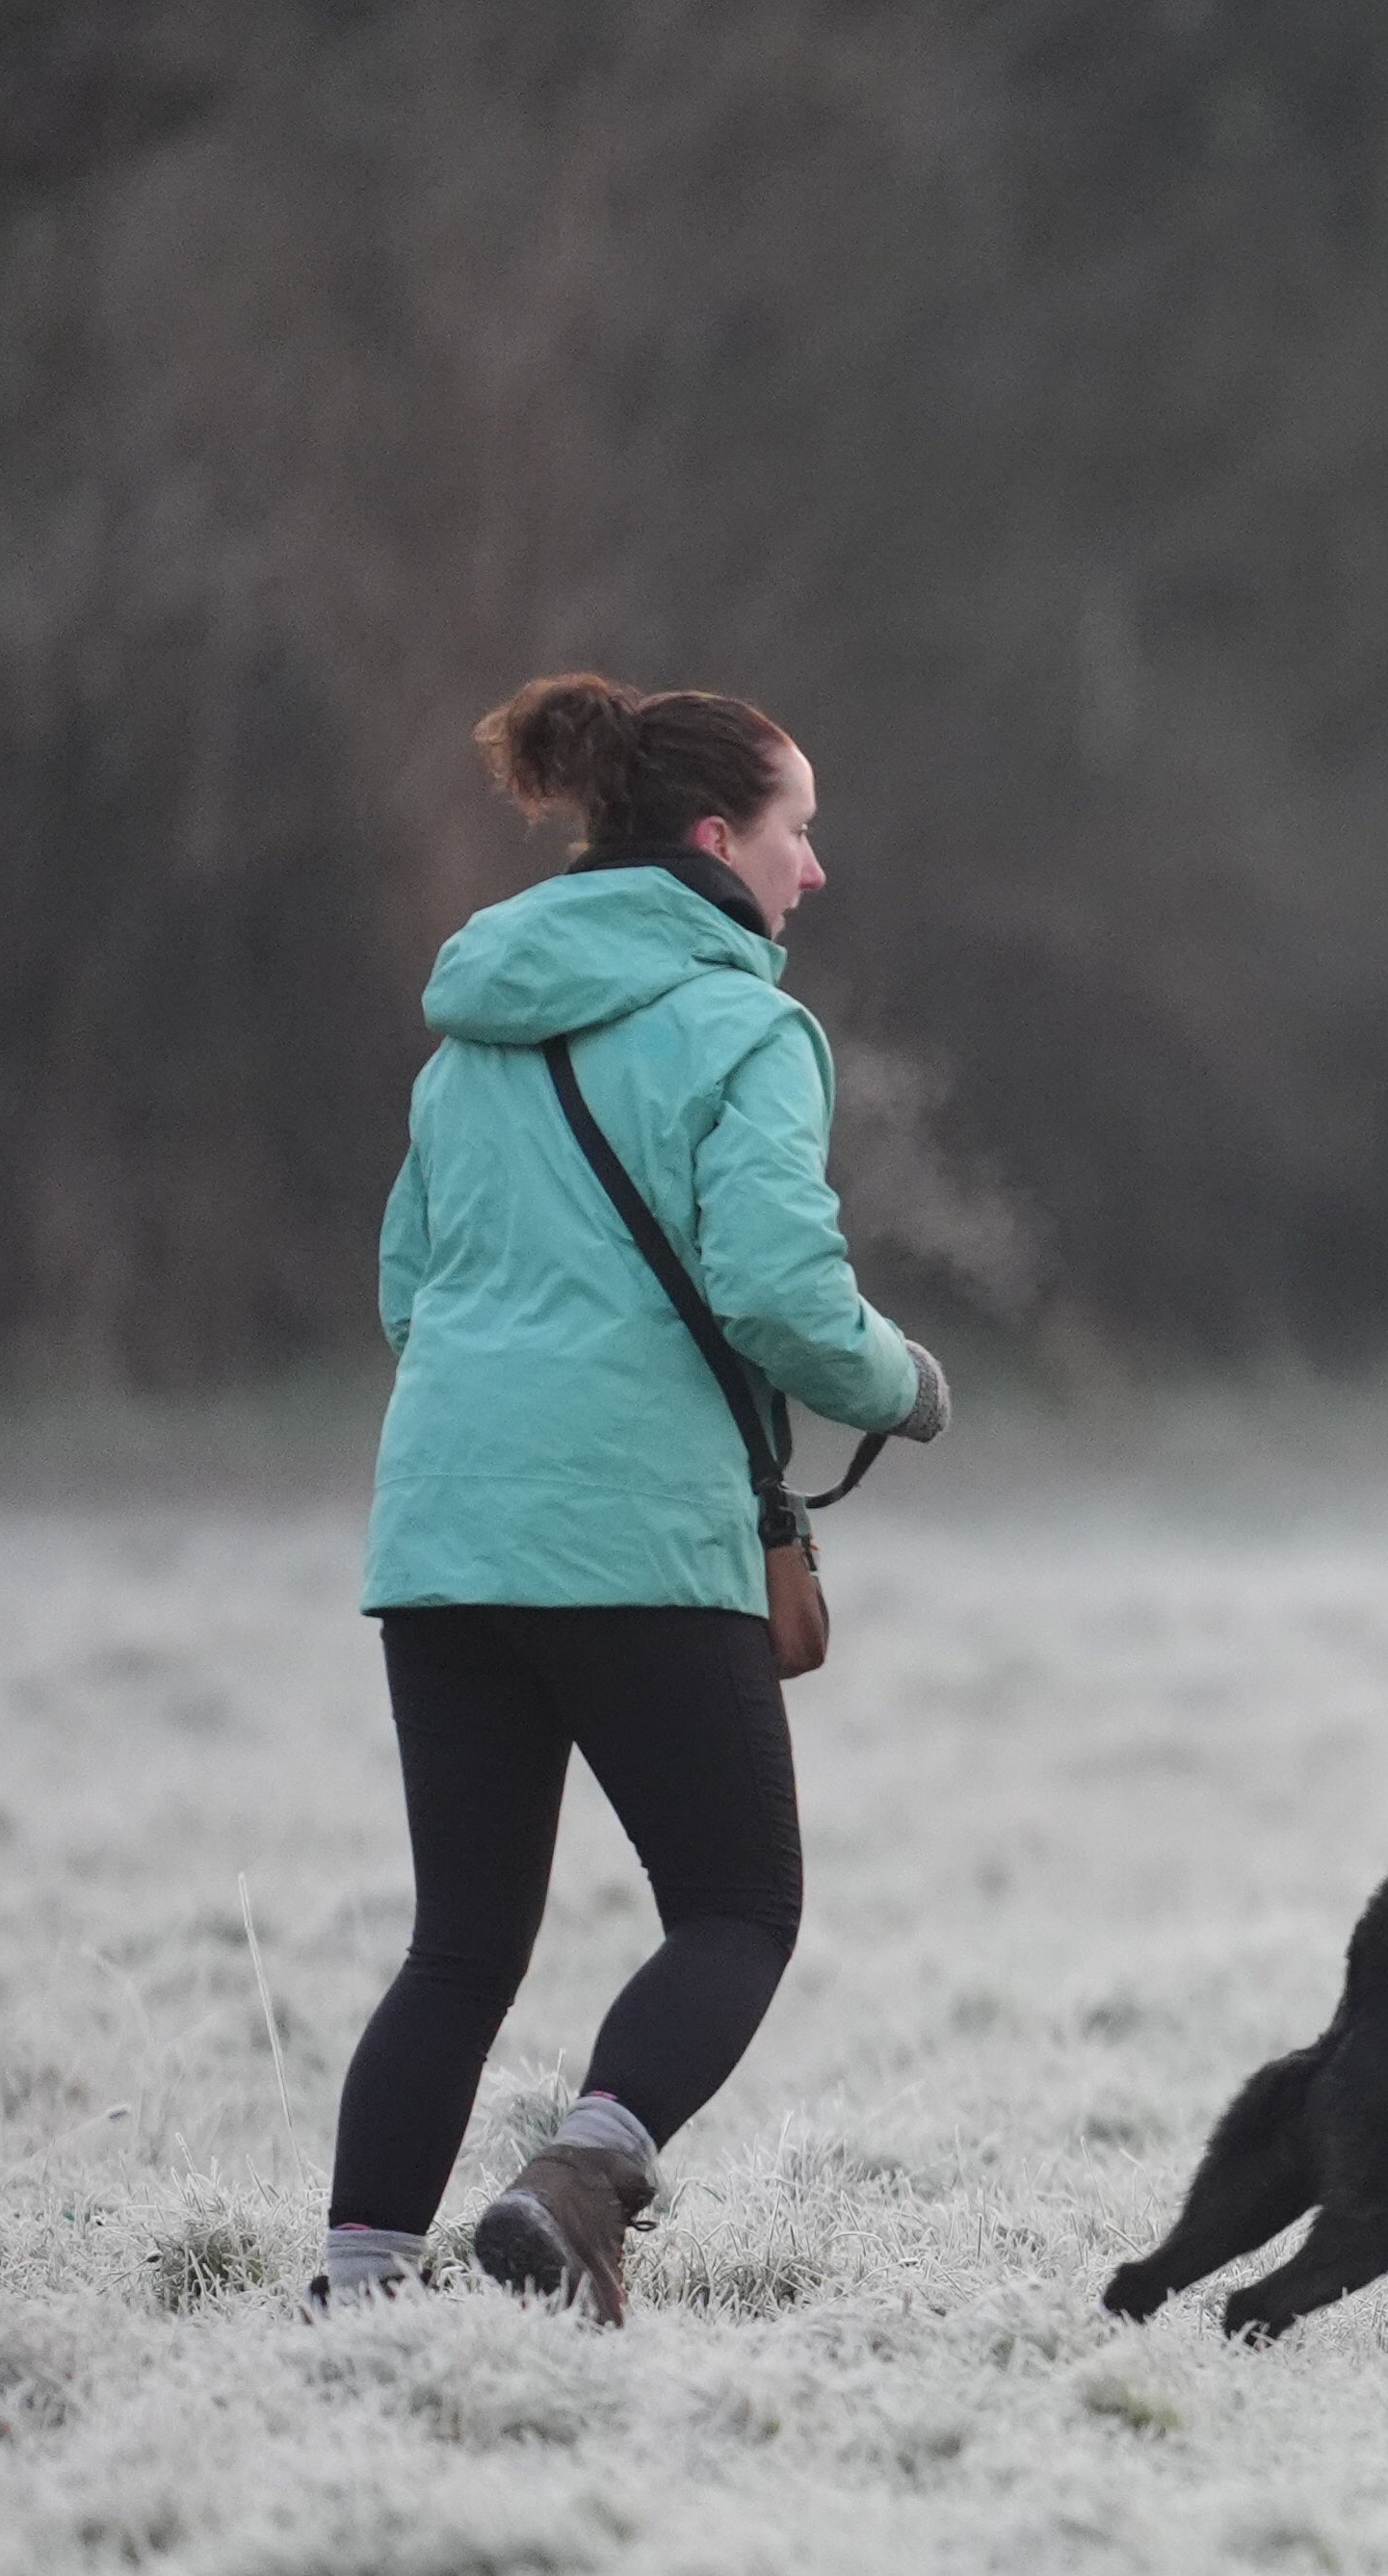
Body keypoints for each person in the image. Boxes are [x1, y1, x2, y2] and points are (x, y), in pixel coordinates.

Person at [318, 673, 946, 2323]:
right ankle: (575, 2180)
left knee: (459, 1942)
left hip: (444, 1531)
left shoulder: (472, 1034)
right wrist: (899, 1381)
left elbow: (410, 1287)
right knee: (739, 1904)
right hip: (633, 1537)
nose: (814, 870)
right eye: (799, 833)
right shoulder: (747, 1026)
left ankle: (358, 2280)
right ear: (717, 837)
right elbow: (777, 1286)